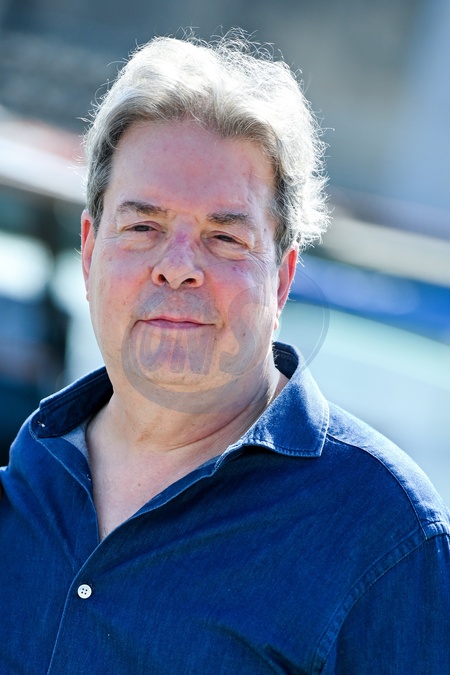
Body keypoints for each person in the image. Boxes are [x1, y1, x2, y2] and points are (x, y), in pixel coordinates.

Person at [0, 31, 449, 674]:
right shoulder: (31, 474)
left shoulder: (386, 536)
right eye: (143, 226)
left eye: (224, 237)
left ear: (282, 278)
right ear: (91, 250)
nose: (178, 266)